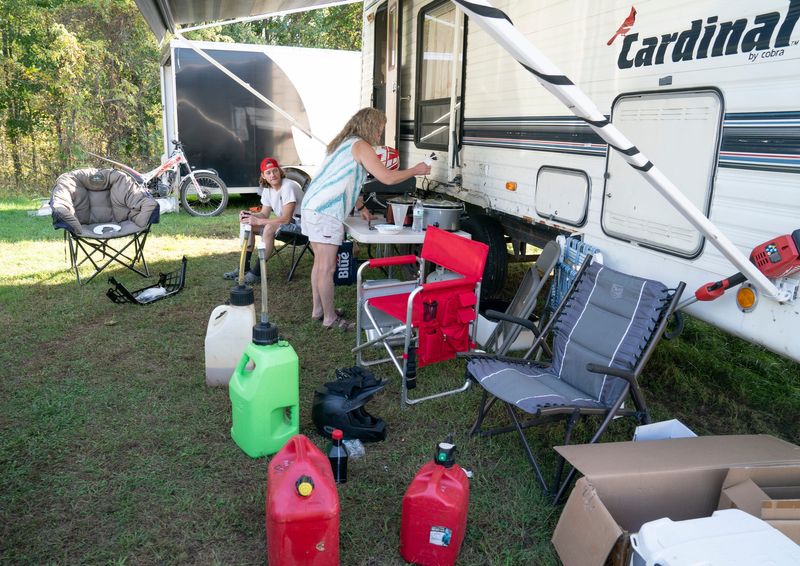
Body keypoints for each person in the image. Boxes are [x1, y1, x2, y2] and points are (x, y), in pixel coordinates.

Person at [301, 108, 431, 331]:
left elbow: (344, 179)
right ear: (370, 126)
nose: (380, 134)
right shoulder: (361, 145)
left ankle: (318, 310)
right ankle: (330, 318)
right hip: (325, 211)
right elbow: (388, 178)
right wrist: (415, 170)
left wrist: (360, 206)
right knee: (327, 267)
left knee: (320, 265)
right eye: (380, 128)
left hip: (312, 206)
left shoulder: (341, 144)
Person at [223, 157, 304, 284]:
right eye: (268, 172)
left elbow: (286, 219)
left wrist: (260, 222)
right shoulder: (268, 189)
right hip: (286, 225)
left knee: (269, 227)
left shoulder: (288, 186)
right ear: (263, 175)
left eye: (275, 171)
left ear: (280, 171)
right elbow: (264, 214)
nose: (272, 175)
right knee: (247, 223)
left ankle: (257, 273)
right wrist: (250, 216)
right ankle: (244, 268)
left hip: (302, 228)